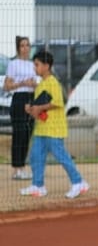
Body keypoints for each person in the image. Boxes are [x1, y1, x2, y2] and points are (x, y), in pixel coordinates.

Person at [20, 49, 90, 199]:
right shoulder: (41, 84)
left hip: (53, 129)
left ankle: (78, 182)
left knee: (61, 156)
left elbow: (57, 102)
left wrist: (38, 108)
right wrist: (31, 109)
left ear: (46, 66)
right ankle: (38, 185)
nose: (35, 68)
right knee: (35, 156)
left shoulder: (52, 82)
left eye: (37, 64)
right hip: (42, 128)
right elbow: (40, 107)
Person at [4, 36, 36, 180]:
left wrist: (34, 84)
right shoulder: (13, 64)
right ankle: (16, 168)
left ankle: (22, 166)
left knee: (27, 134)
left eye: (27, 45)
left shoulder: (32, 64)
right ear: (18, 48)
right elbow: (7, 86)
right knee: (19, 134)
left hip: (31, 98)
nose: (25, 48)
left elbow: (35, 82)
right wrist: (22, 83)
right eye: (22, 45)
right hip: (19, 99)